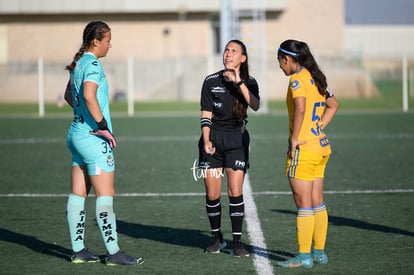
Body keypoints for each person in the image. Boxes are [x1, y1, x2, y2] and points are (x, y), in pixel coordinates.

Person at [64, 21, 143, 266]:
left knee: (79, 194)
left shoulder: (78, 63)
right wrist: (102, 125)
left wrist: (84, 117)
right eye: (107, 39)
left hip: (76, 134)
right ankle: (114, 253)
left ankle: (78, 251)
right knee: (106, 194)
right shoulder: (94, 65)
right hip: (93, 139)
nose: (110, 44)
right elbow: (88, 95)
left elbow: (70, 95)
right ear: (96, 41)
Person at [275, 39, 339, 269]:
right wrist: (318, 128)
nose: (280, 67)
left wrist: (294, 140)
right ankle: (319, 252)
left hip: (304, 149)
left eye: (280, 62)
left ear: (287, 59)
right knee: (317, 202)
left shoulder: (297, 79)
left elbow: (300, 107)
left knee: (303, 204)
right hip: (320, 147)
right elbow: (334, 105)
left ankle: (303, 257)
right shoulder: (316, 77)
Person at [198, 39, 260, 257]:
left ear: (242, 58)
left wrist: (238, 82)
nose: (228, 54)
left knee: (235, 191)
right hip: (212, 140)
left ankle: (237, 242)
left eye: (234, 51)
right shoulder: (210, 80)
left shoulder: (250, 81)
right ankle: (216, 238)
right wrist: (206, 141)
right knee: (212, 193)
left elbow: (255, 105)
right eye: (226, 50)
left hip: (236, 141)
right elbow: (206, 113)